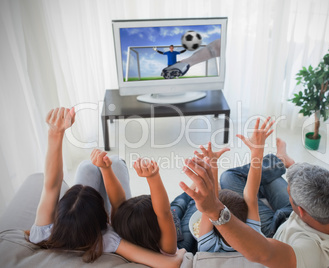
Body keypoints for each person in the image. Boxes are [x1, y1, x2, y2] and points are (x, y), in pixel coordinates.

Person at [179, 21, 329, 268]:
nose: (289, 188)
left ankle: (279, 162)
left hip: (278, 226)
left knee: (230, 178)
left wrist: (214, 209)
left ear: (301, 211)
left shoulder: (310, 251)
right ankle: (281, 161)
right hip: (295, 211)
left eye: (291, 189)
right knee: (253, 182)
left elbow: (262, 254)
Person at [26, 107, 185, 267]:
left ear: (58, 216)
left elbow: (51, 186)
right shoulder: (106, 239)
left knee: (87, 168)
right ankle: (111, 164)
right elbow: (124, 206)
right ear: (105, 221)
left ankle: (106, 165)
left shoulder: (42, 233)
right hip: (161, 225)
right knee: (114, 162)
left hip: (143, 223)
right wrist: (182, 253)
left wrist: (55, 133)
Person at [196, 117, 276, 252]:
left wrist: (213, 166)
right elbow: (250, 196)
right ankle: (279, 159)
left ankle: (278, 160)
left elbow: (212, 203)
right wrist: (257, 151)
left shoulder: (207, 247)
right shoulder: (254, 236)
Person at [90, 149, 177, 256]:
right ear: (157, 227)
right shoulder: (167, 250)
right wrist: (153, 177)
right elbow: (164, 213)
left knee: (181, 203)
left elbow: (117, 202)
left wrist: (105, 169)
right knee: (183, 203)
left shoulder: (118, 233)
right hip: (180, 234)